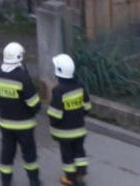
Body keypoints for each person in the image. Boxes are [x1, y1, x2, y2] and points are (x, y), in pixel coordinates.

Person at [0, 42, 41, 186]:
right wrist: (36, 108)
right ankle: (34, 181)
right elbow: (33, 103)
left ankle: (5, 181)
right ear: (19, 57)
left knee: (7, 152)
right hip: (25, 124)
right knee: (29, 153)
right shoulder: (23, 77)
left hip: (5, 123)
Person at [47, 54, 92, 186]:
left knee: (67, 156)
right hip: (79, 129)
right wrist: (78, 116)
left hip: (64, 133)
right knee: (79, 151)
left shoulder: (58, 91)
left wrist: (52, 125)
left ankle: (70, 179)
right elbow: (87, 107)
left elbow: (55, 115)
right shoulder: (80, 86)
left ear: (58, 72)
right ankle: (81, 174)